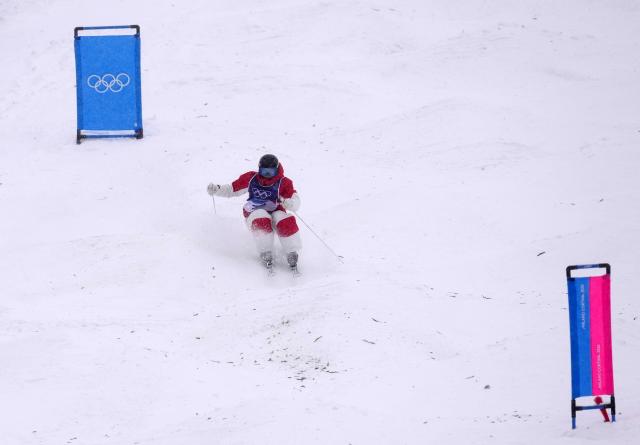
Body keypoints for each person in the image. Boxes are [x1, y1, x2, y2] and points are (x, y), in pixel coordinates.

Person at [207, 154, 301, 270]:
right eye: (264, 171)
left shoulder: (284, 182)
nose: (267, 175)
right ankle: (265, 252)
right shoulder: (252, 178)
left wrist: (290, 203)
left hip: (276, 210)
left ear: (276, 170)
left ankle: (291, 252)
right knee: (261, 219)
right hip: (254, 210)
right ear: (259, 169)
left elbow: (295, 199)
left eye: (270, 172)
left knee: (285, 221)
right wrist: (217, 189)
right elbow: (232, 189)